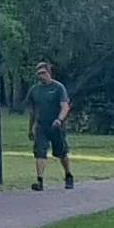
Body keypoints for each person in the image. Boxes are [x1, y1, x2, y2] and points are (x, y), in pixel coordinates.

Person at [27, 62, 74, 191]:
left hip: (56, 126)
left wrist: (59, 119)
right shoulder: (34, 90)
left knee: (61, 152)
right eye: (38, 74)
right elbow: (32, 111)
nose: (41, 76)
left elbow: (65, 106)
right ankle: (40, 180)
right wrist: (31, 127)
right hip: (41, 126)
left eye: (43, 73)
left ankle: (68, 175)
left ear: (49, 73)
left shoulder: (58, 88)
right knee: (40, 152)